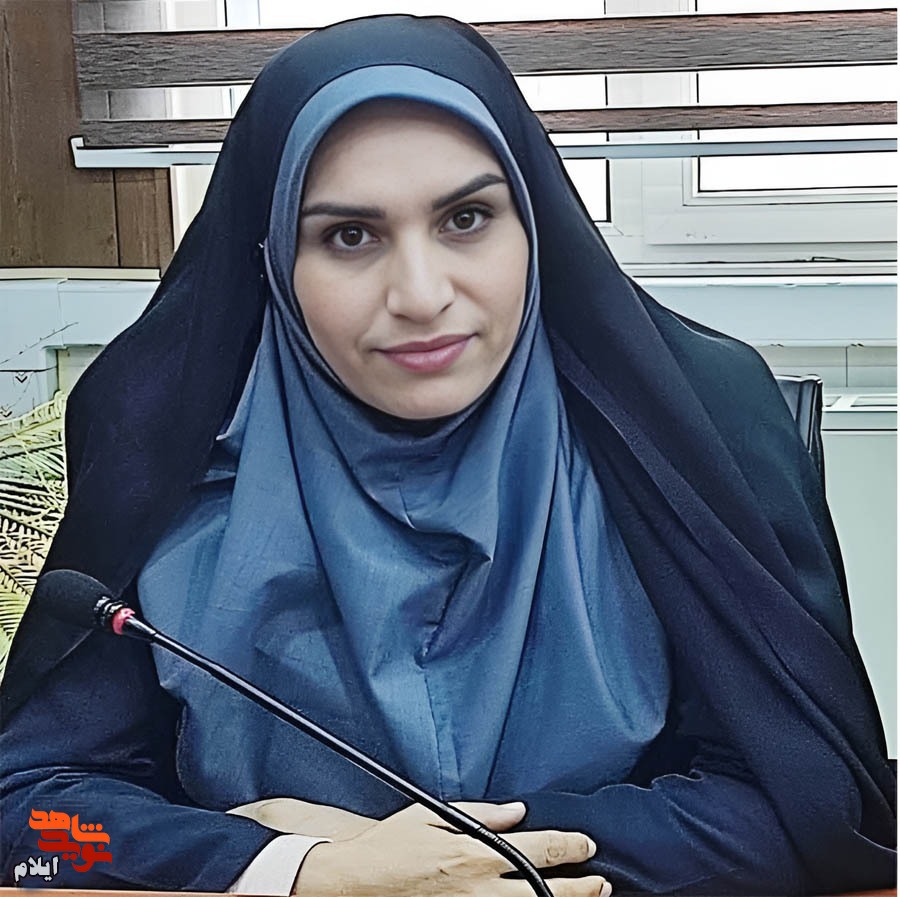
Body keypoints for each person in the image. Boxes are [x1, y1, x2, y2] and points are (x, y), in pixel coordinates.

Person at [1, 14, 895, 896]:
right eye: (349, 235)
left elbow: (811, 804)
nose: (422, 295)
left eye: (467, 218)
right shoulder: (166, 455)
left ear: (534, 223)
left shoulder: (693, 427)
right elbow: (31, 828)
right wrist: (300, 869)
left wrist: (449, 861)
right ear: (272, 260)